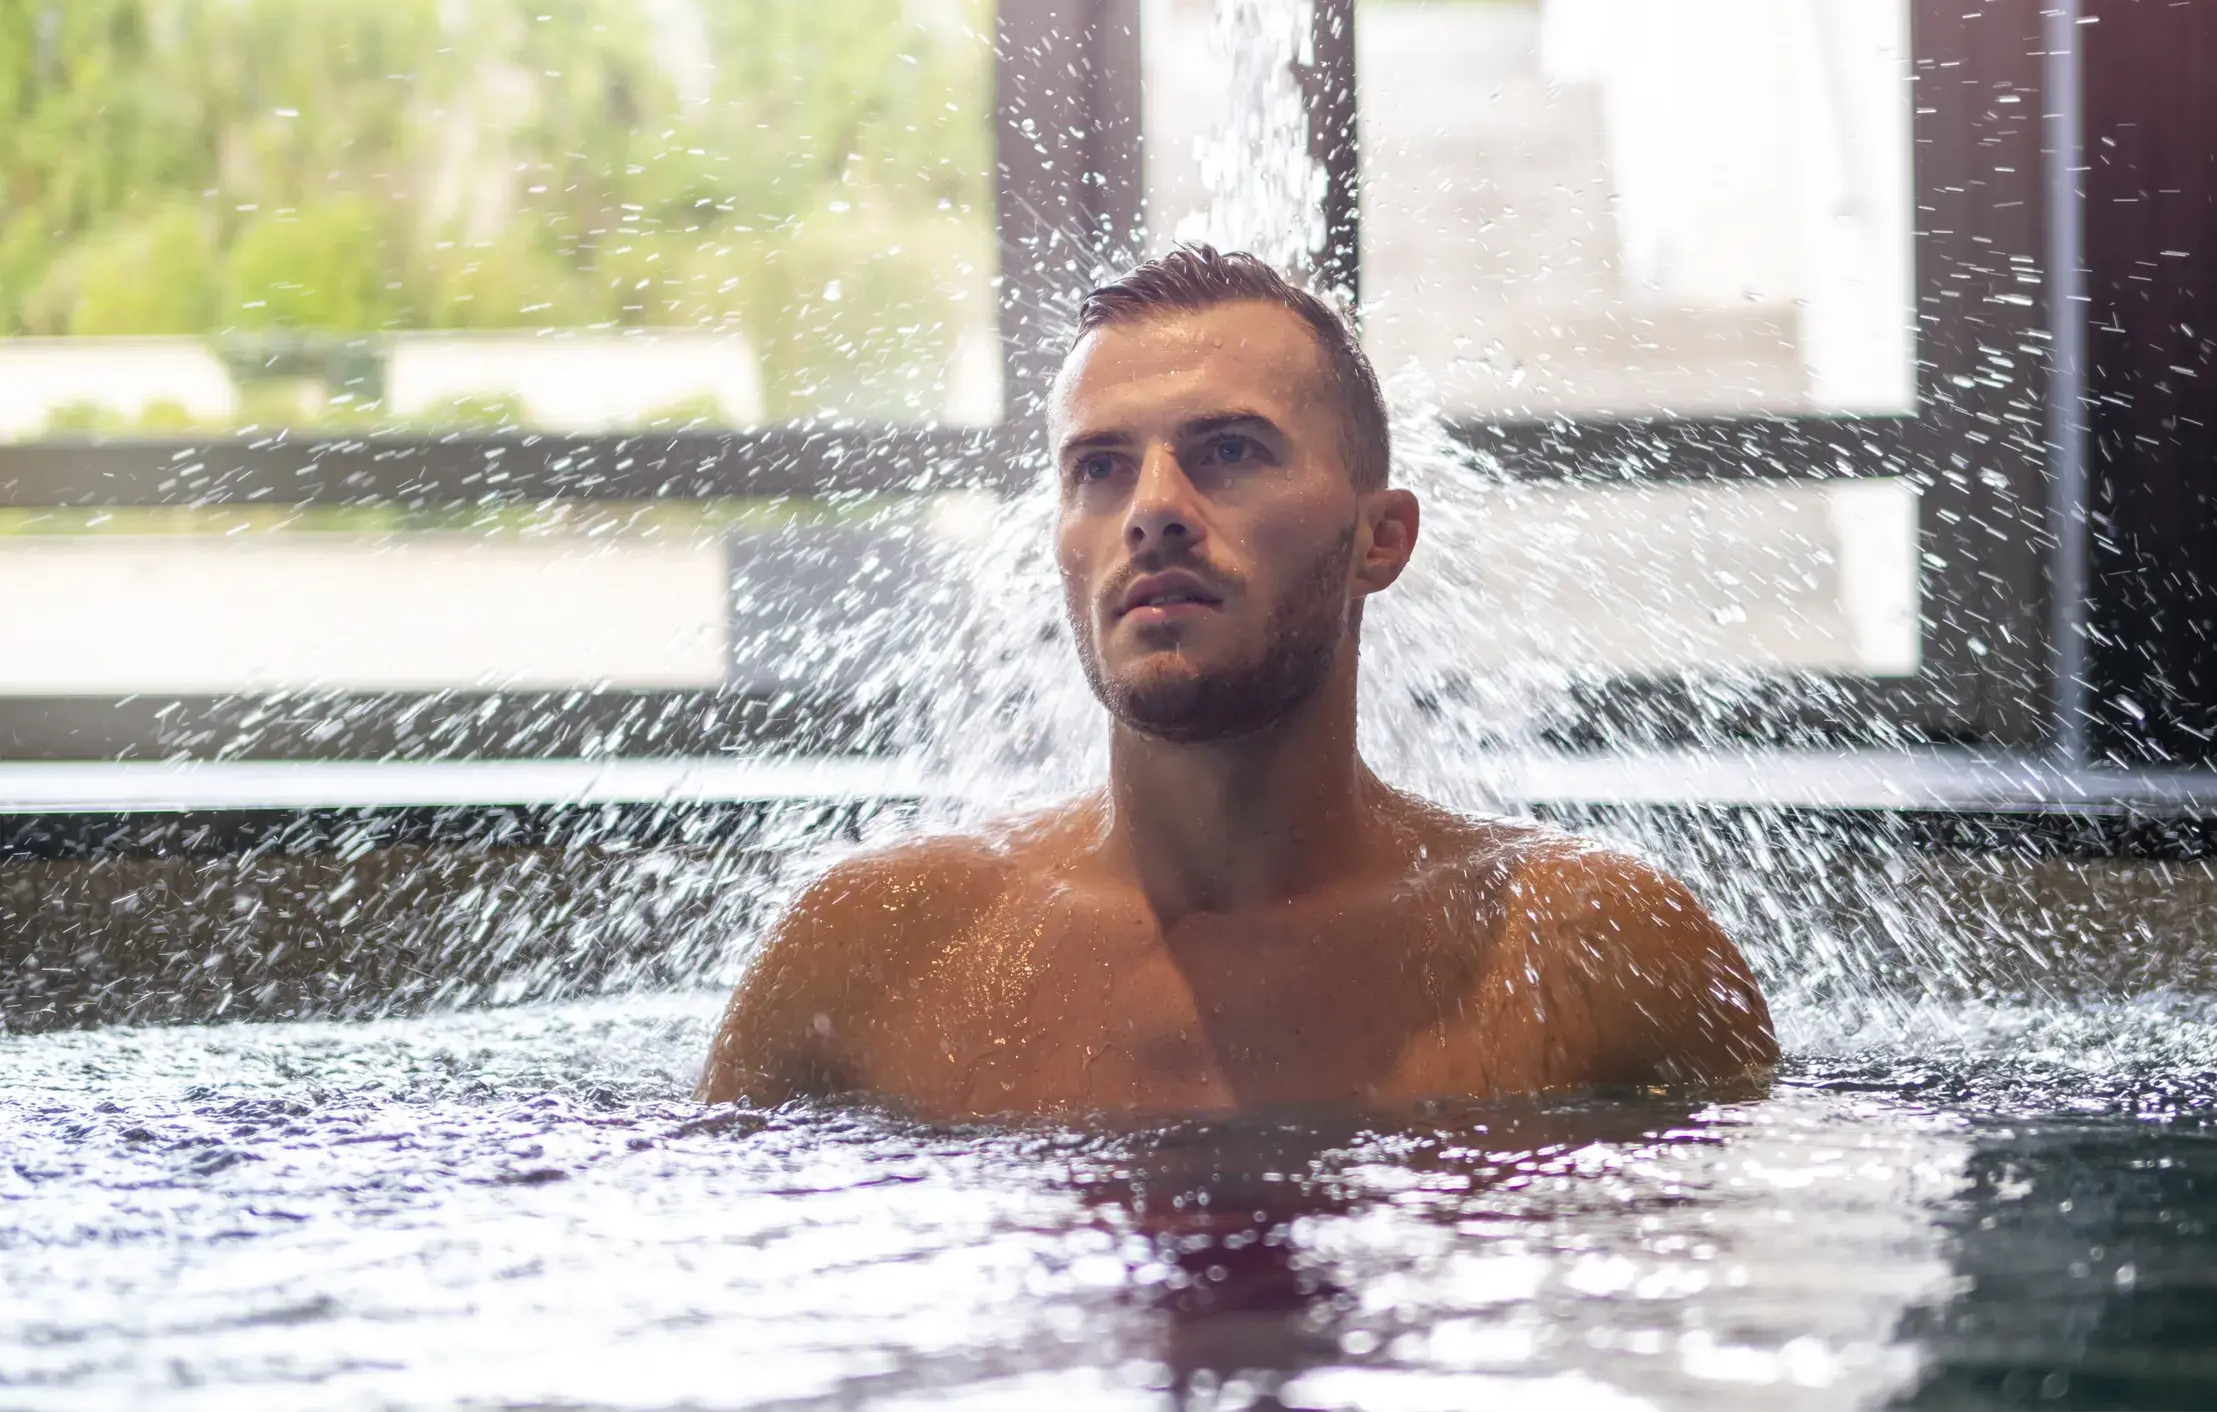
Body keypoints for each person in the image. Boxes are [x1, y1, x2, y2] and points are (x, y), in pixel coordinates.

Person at [700, 246, 1776, 1114]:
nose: (1152, 508)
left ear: (1381, 538)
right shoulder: (871, 946)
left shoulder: (1596, 948)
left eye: (1227, 452)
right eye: (1099, 467)